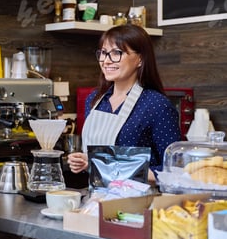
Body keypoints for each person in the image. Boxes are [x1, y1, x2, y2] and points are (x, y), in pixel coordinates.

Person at [68, 24, 181, 182]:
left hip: (138, 202)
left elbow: (174, 169)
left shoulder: (156, 105)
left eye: (116, 53)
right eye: (103, 53)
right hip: (97, 199)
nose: (106, 61)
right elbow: (98, 161)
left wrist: (113, 168)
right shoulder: (94, 100)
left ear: (140, 59)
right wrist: (85, 161)